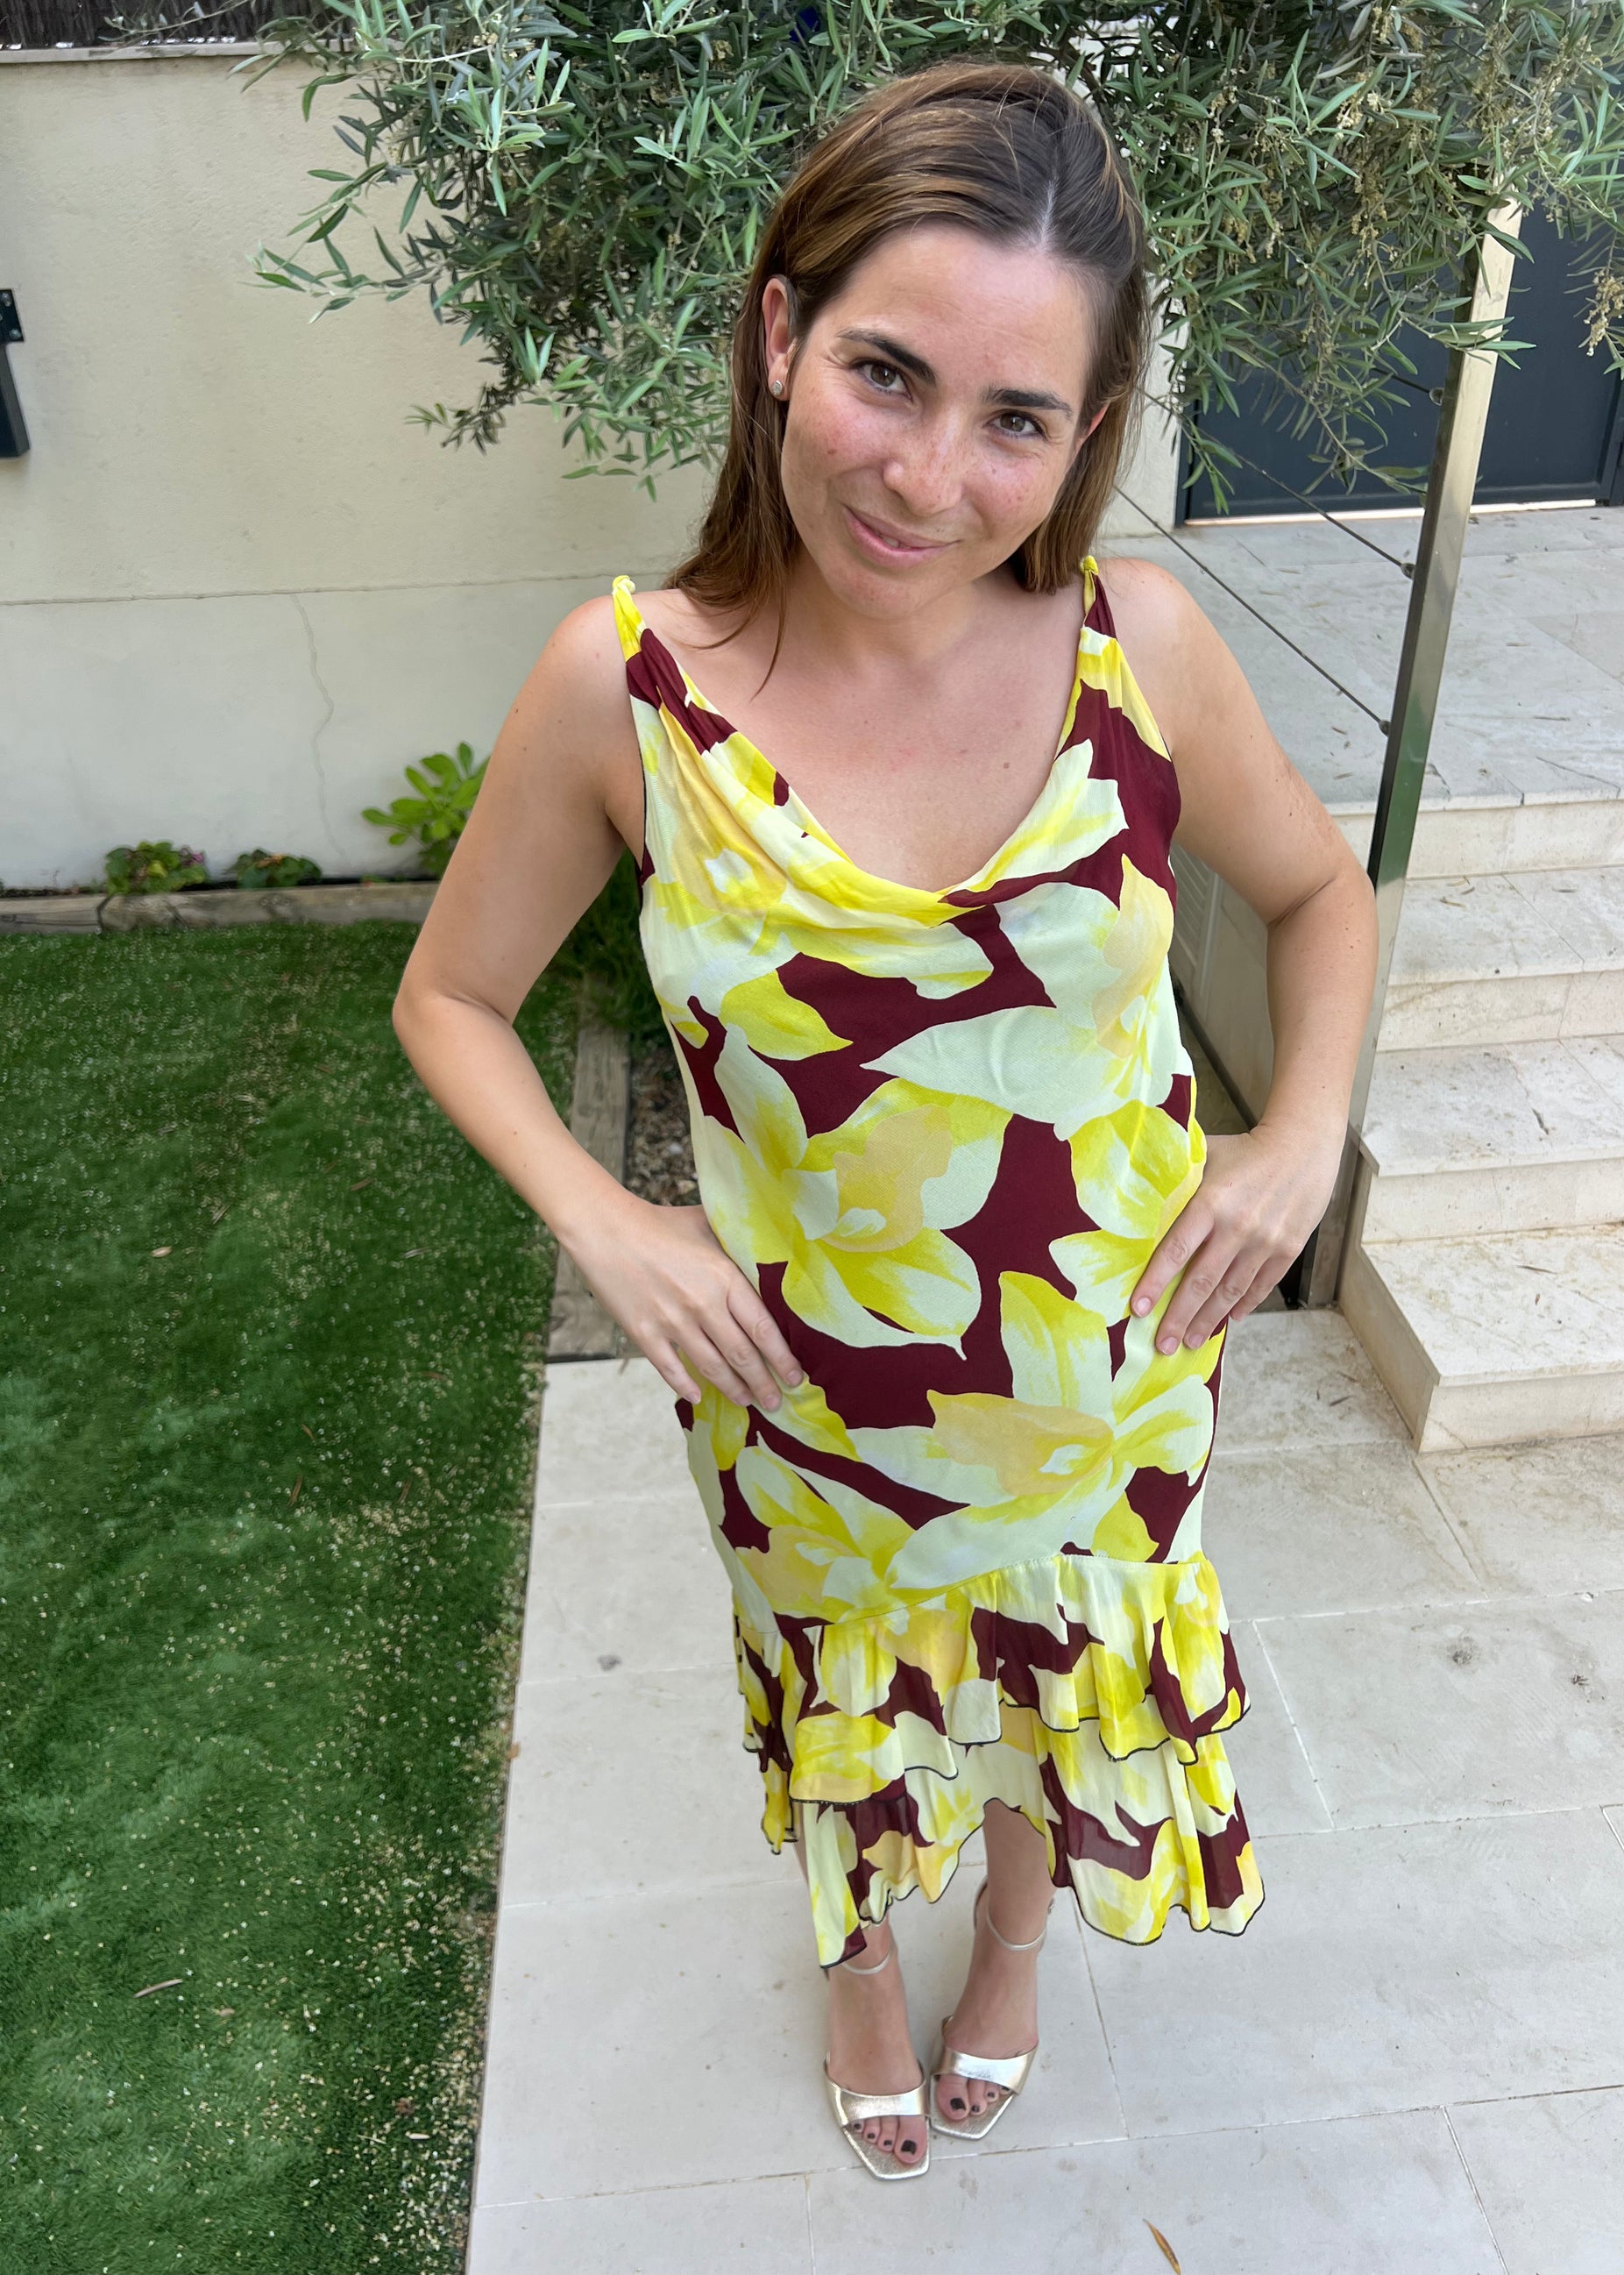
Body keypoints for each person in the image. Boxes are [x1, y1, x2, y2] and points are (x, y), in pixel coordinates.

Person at [393, 56, 1379, 2184]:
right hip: (807, 1399)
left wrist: (1299, 1136)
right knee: (841, 1691)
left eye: (1016, 417)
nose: (931, 477)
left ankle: (1010, 1939)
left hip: (1112, 1381)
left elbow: (1322, 897)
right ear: (780, 333)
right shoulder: (622, 690)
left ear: (1082, 436)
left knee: (1044, 1675)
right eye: (886, 374)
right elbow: (449, 999)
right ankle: (856, 1956)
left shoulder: (1141, 651)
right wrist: (607, 1220)